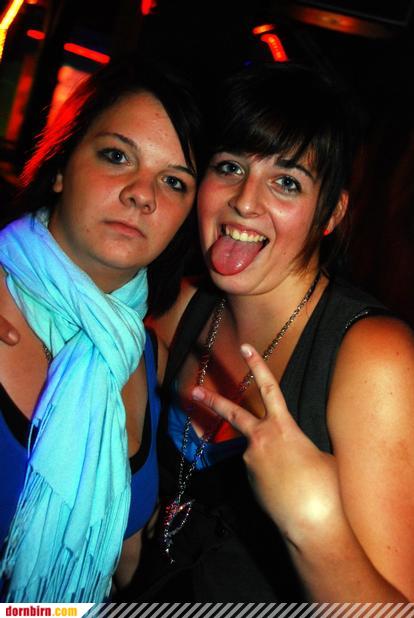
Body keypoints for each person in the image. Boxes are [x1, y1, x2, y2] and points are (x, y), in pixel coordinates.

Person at [127, 61, 413, 601]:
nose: (245, 200)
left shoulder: (374, 357)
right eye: (230, 166)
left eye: (286, 182)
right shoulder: (176, 310)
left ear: (331, 214)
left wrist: (315, 522)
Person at [0, 54, 204, 602]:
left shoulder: (143, 352)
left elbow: (121, 566)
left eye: (174, 181)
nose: (143, 194)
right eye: (117, 156)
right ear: (61, 167)